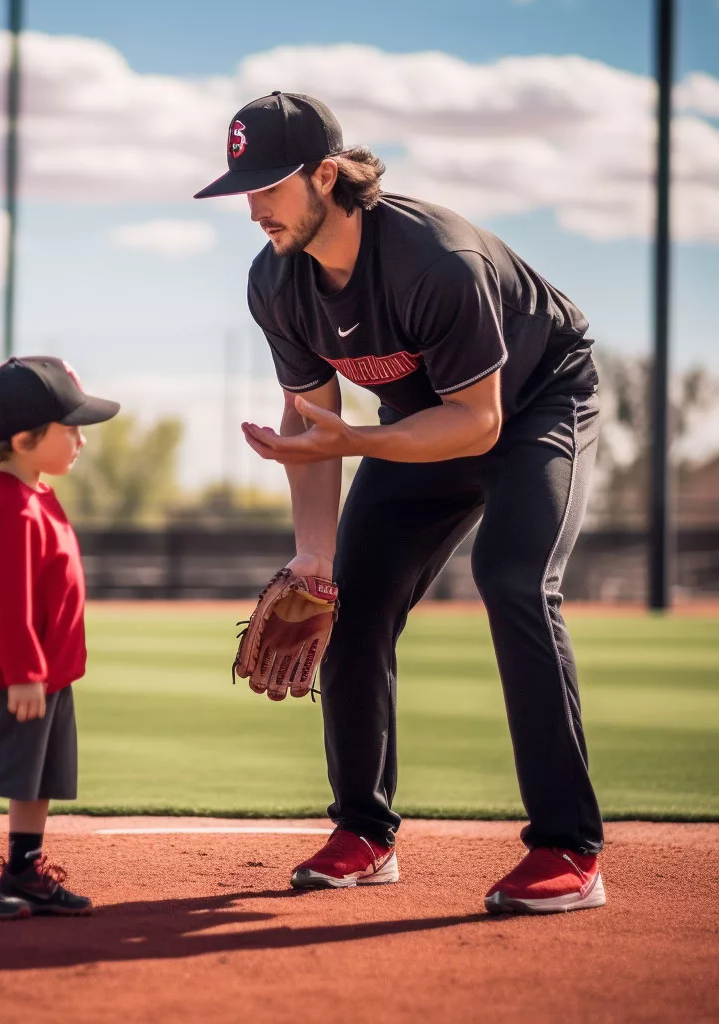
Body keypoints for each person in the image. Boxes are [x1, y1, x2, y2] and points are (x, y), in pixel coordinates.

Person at [195, 92, 606, 915]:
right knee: (347, 594)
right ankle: (364, 833)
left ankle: (569, 846)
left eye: (269, 185)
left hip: (534, 407)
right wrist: (314, 556)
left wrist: (355, 444)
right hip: (422, 426)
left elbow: (478, 421)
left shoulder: (434, 260)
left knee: (515, 579)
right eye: (243, 187)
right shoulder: (276, 281)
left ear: (325, 175)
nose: (253, 208)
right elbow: (311, 426)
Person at [0, 356, 119, 919]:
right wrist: (23, 672)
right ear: (24, 437)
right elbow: (6, 602)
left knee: (35, 777)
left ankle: (24, 869)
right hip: (14, 675)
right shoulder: (10, 506)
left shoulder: (37, 495)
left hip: (46, 672)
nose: (81, 441)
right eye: (71, 428)